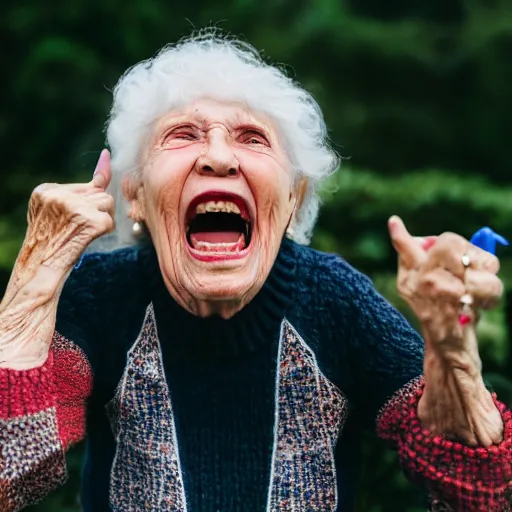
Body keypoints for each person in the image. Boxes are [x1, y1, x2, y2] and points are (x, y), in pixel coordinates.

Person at [0, 31, 510, 512]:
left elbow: (486, 494)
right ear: (134, 195)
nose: (219, 157)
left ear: (293, 198)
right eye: (183, 135)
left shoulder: (337, 301)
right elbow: (12, 471)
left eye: (252, 138)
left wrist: (454, 359)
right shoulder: (97, 296)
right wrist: (35, 277)